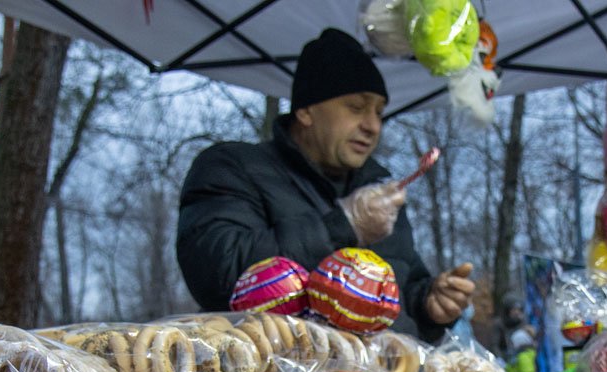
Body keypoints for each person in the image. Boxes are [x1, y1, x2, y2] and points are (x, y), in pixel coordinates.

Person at [175, 28, 474, 342]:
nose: (373, 126)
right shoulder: (233, 167)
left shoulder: (379, 187)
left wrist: (430, 304)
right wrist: (343, 226)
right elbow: (218, 276)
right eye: (356, 108)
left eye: (378, 112)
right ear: (306, 110)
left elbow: (405, 285)